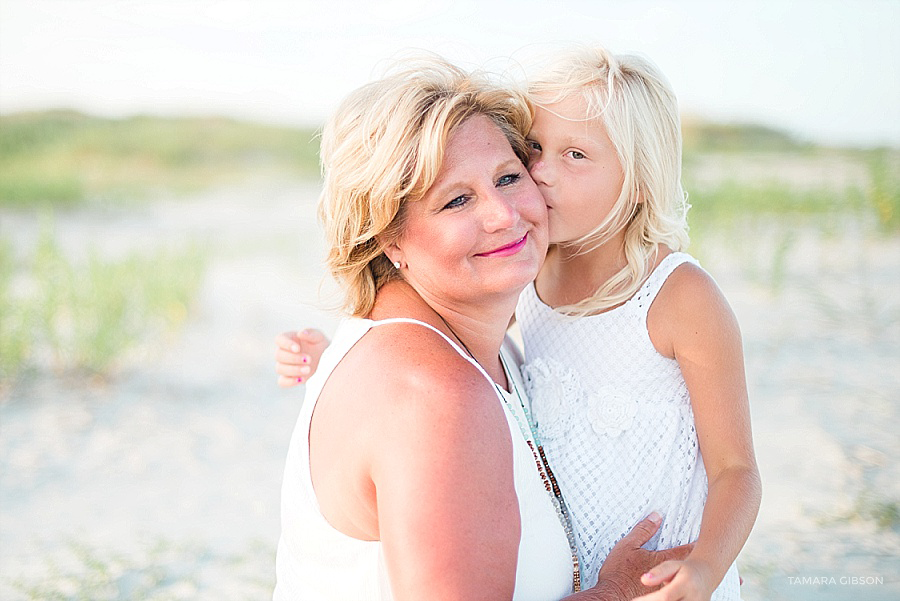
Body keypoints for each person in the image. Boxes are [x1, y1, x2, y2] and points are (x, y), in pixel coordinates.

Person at [277, 47, 761, 601]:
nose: (504, 215)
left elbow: (735, 466)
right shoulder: (434, 395)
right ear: (389, 237)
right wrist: (611, 594)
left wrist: (707, 564)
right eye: (456, 200)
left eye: (509, 177)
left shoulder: (472, 337)